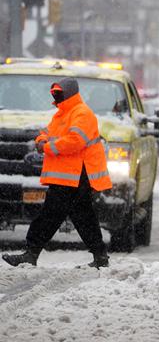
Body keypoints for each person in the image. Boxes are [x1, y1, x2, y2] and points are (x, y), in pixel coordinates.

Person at [2, 78, 112, 268]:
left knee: (51, 215)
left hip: (76, 176)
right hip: (67, 177)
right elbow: (45, 132)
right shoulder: (61, 114)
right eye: (54, 92)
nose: (55, 96)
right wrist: (41, 140)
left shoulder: (82, 113)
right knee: (81, 216)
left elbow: (76, 141)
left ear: (69, 93)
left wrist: (47, 147)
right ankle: (100, 256)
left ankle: (31, 253)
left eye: (58, 92)